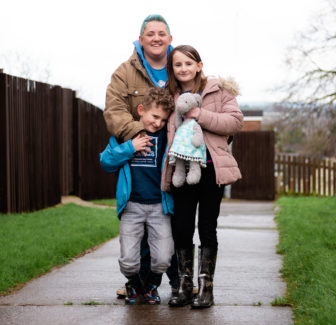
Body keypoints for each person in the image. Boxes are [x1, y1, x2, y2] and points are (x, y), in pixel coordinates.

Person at [161, 45, 244, 308]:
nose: (183, 68)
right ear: (172, 69)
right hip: (181, 171)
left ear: (199, 65)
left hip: (210, 171)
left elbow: (235, 122)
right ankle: (185, 287)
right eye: (177, 64)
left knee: (207, 228)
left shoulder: (220, 91)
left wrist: (201, 115)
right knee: (182, 228)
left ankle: (206, 290)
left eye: (188, 63)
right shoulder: (170, 96)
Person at [104, 14, 179, 297]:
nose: (156, 38)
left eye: (162, 33)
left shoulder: (179, 66)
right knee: (141, 236)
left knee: (174, 230)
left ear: (170, 39)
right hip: (140, 159)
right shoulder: (124, 72)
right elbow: (113, 111)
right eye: (150, 34)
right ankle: (141, 285)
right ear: (141, 39)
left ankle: (178, 282)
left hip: (175, 160)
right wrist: (141, 134)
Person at [100, 87, 175, 305]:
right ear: (141, 110)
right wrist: (130, 147)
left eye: (163, 119)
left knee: (162, 258)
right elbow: (106, 162)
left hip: (160, 207)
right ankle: (133, 284)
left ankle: (151, 286)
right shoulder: (123, 137)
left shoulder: (166, 137)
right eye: (154, 116)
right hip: (131, 206)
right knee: (128, 261)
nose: (158, 123)